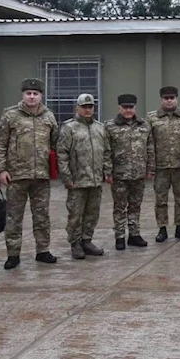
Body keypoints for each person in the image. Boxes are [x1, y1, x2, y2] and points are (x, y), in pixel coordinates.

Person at [0, 78, 59, 269]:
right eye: (28, 93)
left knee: (42, 216)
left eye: (35, 94)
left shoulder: (49, 116)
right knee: (14, 217)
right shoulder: (10, 115)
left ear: (41, 96)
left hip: (41, 176)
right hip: (16, 176)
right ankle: (13, 254)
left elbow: (55, 144)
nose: (32, 97)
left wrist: (55, 169)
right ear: (23, 95)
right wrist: (1, 169)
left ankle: (43, 250)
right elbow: (0, 144)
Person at [58, 94, 112, 260]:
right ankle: (75, 243)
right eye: (84, 106)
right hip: (77, 181)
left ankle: (87, 240)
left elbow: (107, 152)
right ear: (77, 108)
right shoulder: (69, 128)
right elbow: (62, 154)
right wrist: (67, 178)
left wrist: (107, 172)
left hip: (95, 180)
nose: (88, 110)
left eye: (90, 107)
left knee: (92, 213)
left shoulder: (100, 128)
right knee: (75, 214)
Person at [105, 94, 155, 251]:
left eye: (131, 107)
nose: (128, 110)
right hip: (119, 175)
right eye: (125, 107)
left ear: (135, 108)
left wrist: (150, 168)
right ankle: (119, 236)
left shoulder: (144, 125)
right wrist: (107, 172)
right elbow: (106, 151)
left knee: (135, 206)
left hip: (138, 174)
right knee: (119, 207)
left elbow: (150, 148)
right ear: (119, 108)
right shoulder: (110, 126)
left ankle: (134, 235)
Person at [147, 86, 180, 242]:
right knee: (161, 200)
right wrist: (150, 166)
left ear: (176, 99)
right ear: (162, 100)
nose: (169, 101)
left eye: (172, 98)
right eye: (166, 98)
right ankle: (162, 229)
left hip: (179, 165)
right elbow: (149, 143)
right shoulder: (152, 118)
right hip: (161, 167)